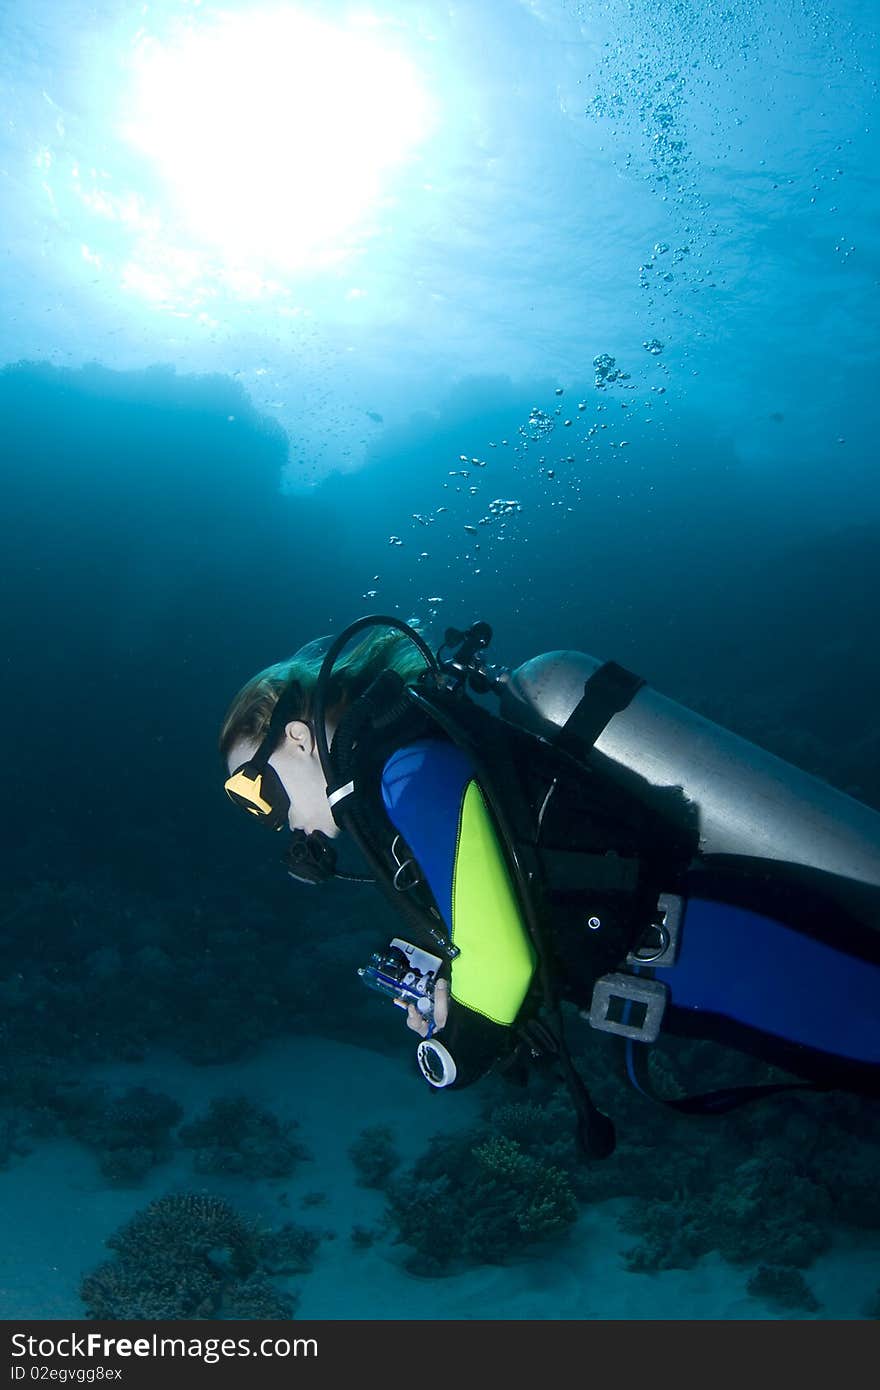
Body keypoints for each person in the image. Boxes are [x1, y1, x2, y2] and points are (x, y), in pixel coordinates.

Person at [220, 616, 880, 1158]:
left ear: (300, 739)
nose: (270, 816)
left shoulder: (405, 771)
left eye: (255, 787)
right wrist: (473, 1004)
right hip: (708, 962)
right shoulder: (394, 778)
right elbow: (506, 922)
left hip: (722, 947)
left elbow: (502, 960)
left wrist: (460, 1044)